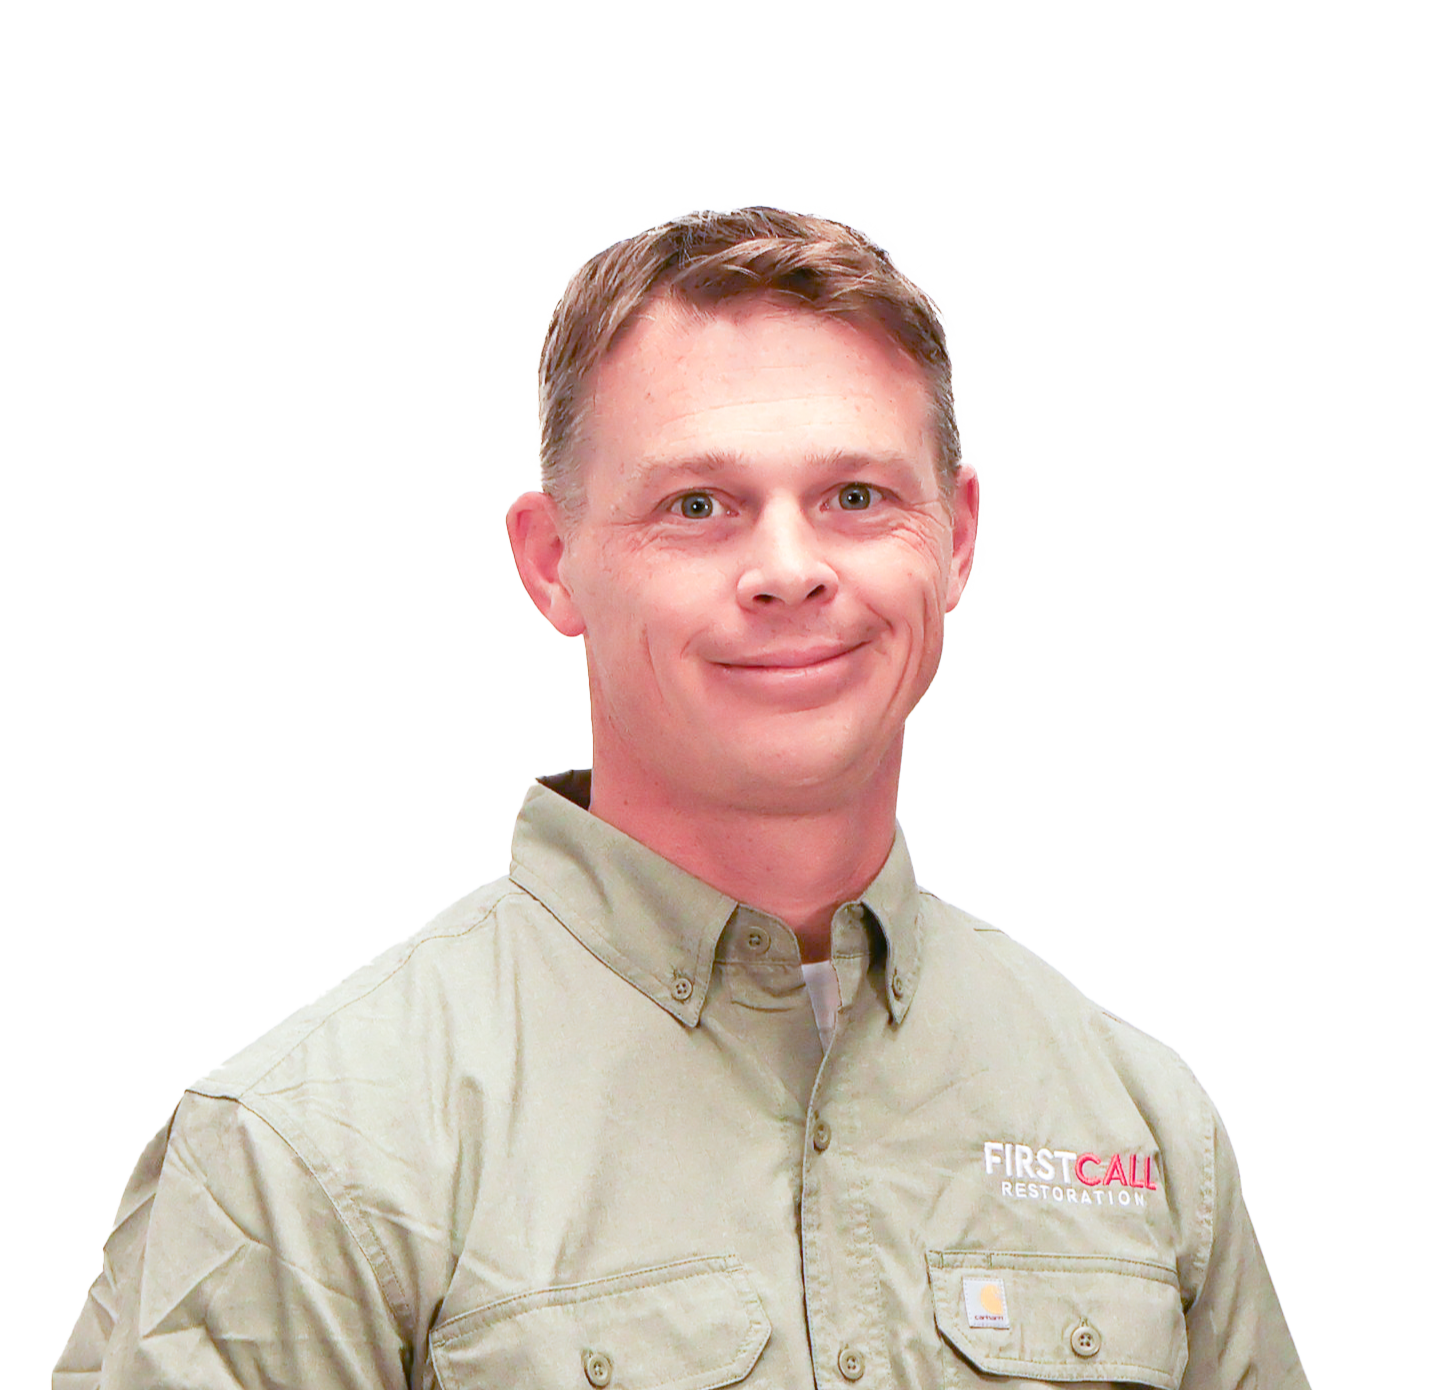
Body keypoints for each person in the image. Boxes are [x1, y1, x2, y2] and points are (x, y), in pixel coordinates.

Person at [55, 206, 1309, 1389]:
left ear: (955, 536)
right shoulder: (305, 1153)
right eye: (697, 505)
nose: (788, 568)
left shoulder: (1137, 1124)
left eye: (855, 497)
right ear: (553, 562)